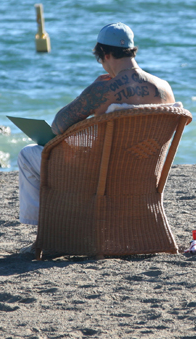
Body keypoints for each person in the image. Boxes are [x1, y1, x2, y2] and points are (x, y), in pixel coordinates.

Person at [18, 22, 176, 225]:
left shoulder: (100, 91)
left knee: (28, 154)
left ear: (105, 54)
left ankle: (44, 231)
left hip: (102, 180)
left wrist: (91, 89)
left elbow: (58, 127)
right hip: (144, 178)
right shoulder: (165, 88)